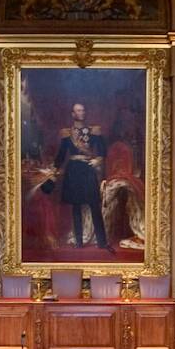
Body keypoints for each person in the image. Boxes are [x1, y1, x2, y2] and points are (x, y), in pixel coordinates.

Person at [55, 101, 108, 249]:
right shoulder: (67, 133)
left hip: (88, 170)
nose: (81, 113)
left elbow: (103, 149)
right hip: (73, 170)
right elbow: (61, 154)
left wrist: (99, 159)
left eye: (83, 110)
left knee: (94, 205)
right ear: (73, 114)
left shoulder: (94, 131)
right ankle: (79, 242)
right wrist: (54, 168)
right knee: (76, 207)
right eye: (78, 111)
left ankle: (102, 242)